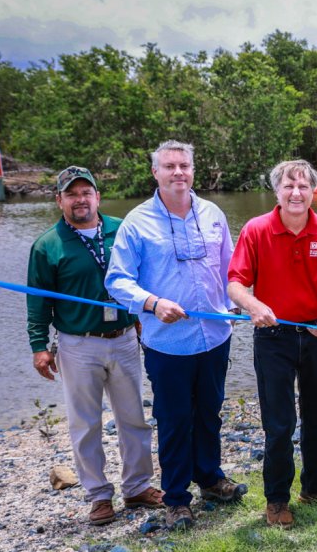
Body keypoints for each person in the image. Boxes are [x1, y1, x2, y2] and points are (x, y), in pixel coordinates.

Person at [106, 140, 246, 531]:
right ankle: (177, 498)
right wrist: (151, 303)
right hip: (167, 344)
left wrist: (236, 304)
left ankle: (210, 477)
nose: (178, 173)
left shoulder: (213, 213)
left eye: (184, 165)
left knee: (209, 412)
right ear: (156, 173)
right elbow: (117, 280)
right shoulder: (136, 222)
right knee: (172, 418)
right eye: (169, 166)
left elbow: (230, 269)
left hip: (215, 335)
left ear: (193, 170)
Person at [27, 166, 163, 526]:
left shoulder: (123, 231)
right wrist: (39, 346)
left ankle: (137, 486)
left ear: (98, 197)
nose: (80, 200)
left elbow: (147, 278)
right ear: (59, 200)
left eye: (86, 192)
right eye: (71, 194)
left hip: (124, 339)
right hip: (77, 344)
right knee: (85, 423)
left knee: (134, 417)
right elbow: (37, 302)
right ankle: (99, 495)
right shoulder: (47, 246)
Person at [227, 160, 317, 528]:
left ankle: (315, 487)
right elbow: (234, 284)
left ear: (314, 190)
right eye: (288, 186)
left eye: (303, 186)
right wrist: (252, 304)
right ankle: (276, 499)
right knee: (279, 424)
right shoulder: (256, 229)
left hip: (316, 335)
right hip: (272, 337)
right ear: (277, 191)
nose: (296, 193)